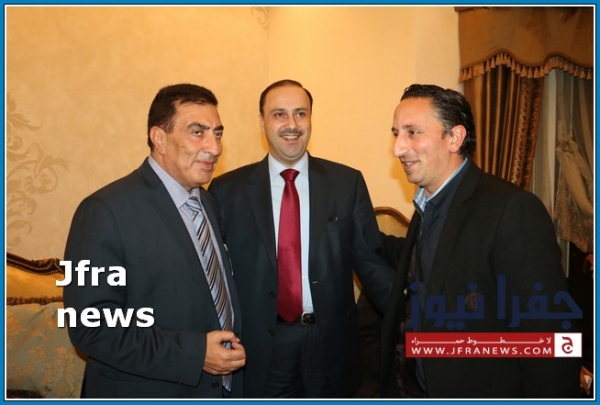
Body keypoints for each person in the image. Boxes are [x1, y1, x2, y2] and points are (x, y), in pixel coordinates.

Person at [379, 84, 581, 398]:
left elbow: (549, 336)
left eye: (412, 133)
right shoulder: (427, 206)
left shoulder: (511, 209)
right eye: (396, 134)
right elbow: (426, 262)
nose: (398, 148)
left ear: (454, 138)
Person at [208, 79, 395, 398]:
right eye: (279, 114)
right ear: (262, 122)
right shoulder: (227, 191)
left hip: (330, 346)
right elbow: (214, 278)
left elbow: (371, 264)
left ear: (311, 118)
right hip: (261, 350)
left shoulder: (346, 183)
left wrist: (418, 317)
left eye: (300, 113)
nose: (292, 125)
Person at [62, 84, 246, 398]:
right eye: (197, 132)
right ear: (159, 138)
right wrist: (194, 353)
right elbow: (90, 326)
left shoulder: (207, 202)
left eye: (217, 134)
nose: (215, 148)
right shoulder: (103, 211)